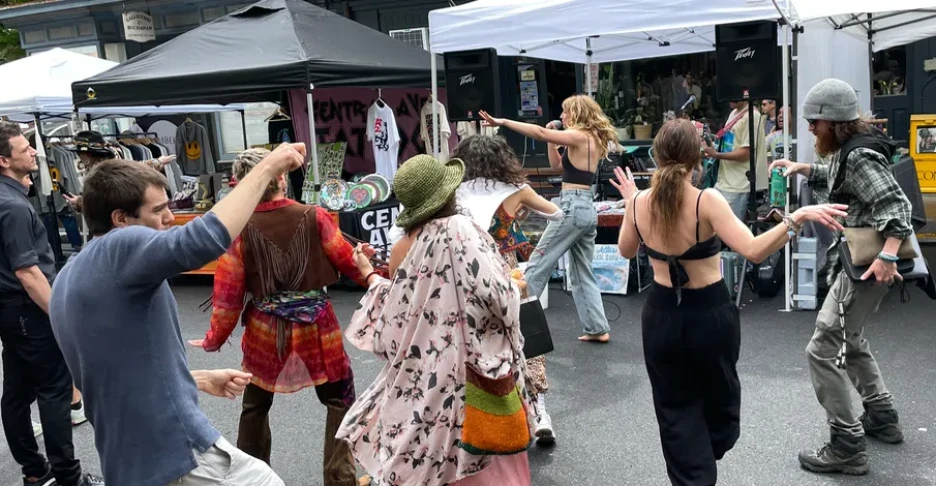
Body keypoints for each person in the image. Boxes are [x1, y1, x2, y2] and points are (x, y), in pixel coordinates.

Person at [48, 143, 306, 486]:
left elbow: (112, 371)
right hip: (172, 449)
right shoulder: (119, 247)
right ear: (121, 219)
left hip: (131, 460)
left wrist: (192, 379)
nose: (170, 218)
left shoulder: (70, 275)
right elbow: (201, 240)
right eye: (159, 210)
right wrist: (269, 166)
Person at [613, 119, 847, 486]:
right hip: (708, 313)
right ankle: (701, 464)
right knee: (719, 396)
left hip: (660, 317)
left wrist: (631, 205)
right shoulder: (707, 200)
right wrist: (795, 218)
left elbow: (626, 250)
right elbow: (753, 251)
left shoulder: (639, 201)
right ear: (698, 157)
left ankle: (694, 467)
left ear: (657, 156)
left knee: (675, 408)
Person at [337, 154, 535, 486]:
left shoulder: (402, 246)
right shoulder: (461, 229)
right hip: (470, 377)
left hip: (426, 381)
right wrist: (515, 286)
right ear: (447, 193)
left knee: (432, 466)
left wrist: (369, 275)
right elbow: (499, 297)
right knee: (484, 464)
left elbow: (401, 310)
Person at [188, 148, 362, 485]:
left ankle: (250, 479)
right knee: (339, 400)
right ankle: (340, 479)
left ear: (241, 183)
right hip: (318, 329)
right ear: (282, 178)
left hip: (266, 330)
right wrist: (373, 270)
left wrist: (214, 340)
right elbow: (349, 263)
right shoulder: (314, 215)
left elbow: (228, 296)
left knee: (255, 405)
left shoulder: (239, 230)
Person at [769, 78, 913, 476]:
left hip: (866, 266)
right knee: (850, 339)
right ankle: (881, 416)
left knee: (822, 349)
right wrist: (803, 169)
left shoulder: (860, 156)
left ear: (833, 121)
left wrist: (886, 257)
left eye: (815, 121)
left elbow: (895, 206)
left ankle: (846, 443)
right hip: (862, 264)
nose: (810, 128)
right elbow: (842, 177)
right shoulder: (852, 150)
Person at [0, 121, 103, 486]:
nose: (33, 152)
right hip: (26, 308)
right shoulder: (12, 206)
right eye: (23, 148)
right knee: (53, 390)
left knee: (16, 391)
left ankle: (35, 470)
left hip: (11, 311)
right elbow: (28, 272)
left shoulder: (10, 198)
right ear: (3, 160)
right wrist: (60, 314)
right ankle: (67, 477)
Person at [478, 94, 615, 342]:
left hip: (572, 206)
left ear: (577, 113)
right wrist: (553, 142)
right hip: (585, 207)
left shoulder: (580, 135)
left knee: (538, 263)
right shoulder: (590, 138)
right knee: (582, 272)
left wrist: (505, 121)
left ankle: (513, 326)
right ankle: (597, 328)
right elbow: (557, 167)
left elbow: (539, 134)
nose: (562, 116)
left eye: (565, 112)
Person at [454, 134, 562, 444]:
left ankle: (485, 417)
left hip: (469, 267)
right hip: (506, 265)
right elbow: (557, 215)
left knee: (479, 336)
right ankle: (540, 411)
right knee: (524, 330)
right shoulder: (516, 190)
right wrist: (519, 219)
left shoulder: (455, 191)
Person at [62, 130, 174, 212]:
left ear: (89, 154)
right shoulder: (100, 165)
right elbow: (131, 168)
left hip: (111, 222)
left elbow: (99, 200)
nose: (80, 156)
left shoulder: (102, 169)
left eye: (81, 153)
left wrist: (79, 202)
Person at [703, 99, 768, 221]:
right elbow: (730, 147)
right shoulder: (734, 113)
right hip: (724, 182)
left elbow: (745, 153)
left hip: (739, 185)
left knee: (733, 234)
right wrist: (713, 148)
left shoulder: (752, 115)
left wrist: (716, 154)